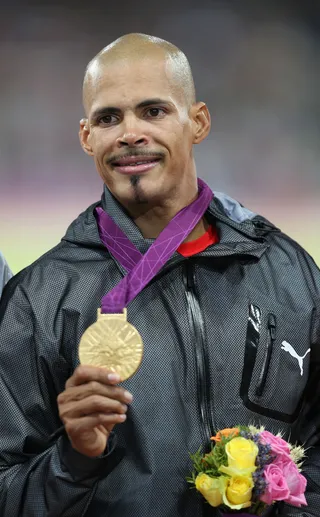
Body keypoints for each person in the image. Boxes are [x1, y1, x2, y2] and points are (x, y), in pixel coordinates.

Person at [0, 33, 319, 517]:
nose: (130, 133)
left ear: (198, 121)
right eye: (109, 118)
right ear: (87, 137)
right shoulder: (41, 298)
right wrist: (75, 458)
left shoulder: (286, 270)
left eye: (153, 111)